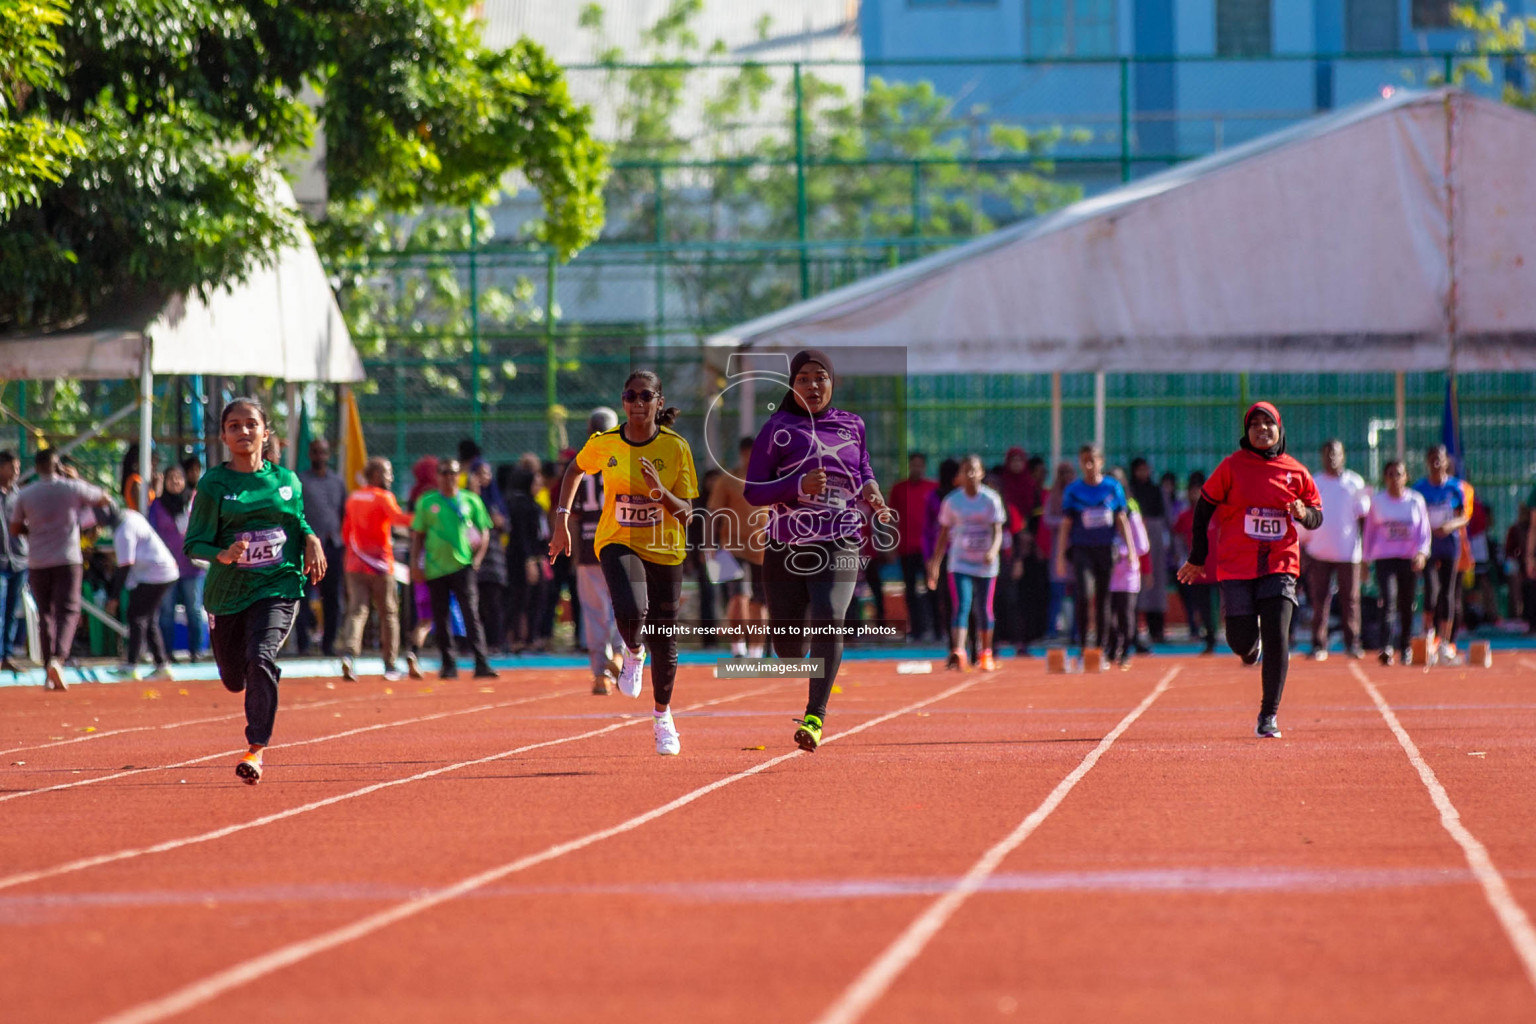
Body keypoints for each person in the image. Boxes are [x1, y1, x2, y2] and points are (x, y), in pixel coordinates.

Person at [741, 349, 892, 752]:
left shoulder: (852, 425)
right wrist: (796, 486)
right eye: (804, 377)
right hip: (786, 545)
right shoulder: (777, 429)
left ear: (832, 382)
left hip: (840, 538)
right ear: (792, 384)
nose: (812, 385)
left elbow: (862, 469)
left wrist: (871, 488)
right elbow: (753, 491)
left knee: (830, 615)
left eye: (820, 377)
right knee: (788, 647)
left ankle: (815, 716)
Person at [549, 370, 699, 756]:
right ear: (623, 401)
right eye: (630, 396)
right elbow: (575, 470)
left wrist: (661, 493)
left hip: (665, 547)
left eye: (645, 396)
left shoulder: (676, 448)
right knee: (632, 609)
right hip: (617, 539)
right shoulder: (605, 443)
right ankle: (633, 652)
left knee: (666, 639)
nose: (637, 403)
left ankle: (663, 717)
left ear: (658, 402)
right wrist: (561, 520)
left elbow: (687, 513)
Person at [183, 397, 326, 783]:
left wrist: (311, 537)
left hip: (278, 584)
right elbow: (193, 543)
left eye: (250, 424)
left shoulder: (286, 481)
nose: (243, 431)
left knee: (261, 656)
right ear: (224, 436)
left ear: (265, 432)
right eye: (234, 426)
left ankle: (256, 749)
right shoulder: (215, 483)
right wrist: (224, 554)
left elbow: (296, 521)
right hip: (228, 594)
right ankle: (248, 689)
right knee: (234, 677)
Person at [1177, 402, 1323, 739]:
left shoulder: (1297, 472)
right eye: (1254, 425)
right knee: (1239, 639)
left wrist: (1303, 513)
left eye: (1267, 424)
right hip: (1237, 565)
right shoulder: (1231, 467)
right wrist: (1198, 556)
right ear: (1247, 432)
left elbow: (1316, 516)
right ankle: (1249, 646)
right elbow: (1203, 509)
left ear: (1278, 428)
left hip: (1281, 564)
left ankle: (1268, 715)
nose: (1261, 430)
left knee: (1278, 638)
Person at [9, 448, 113, 690]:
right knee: (68, 611)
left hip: (37, 560)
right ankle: (59, 658)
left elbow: (15, 528)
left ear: (36, 468)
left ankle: (48, 666)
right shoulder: (71, 488)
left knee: (45, 614)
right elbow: (104, 498)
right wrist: (75, 479)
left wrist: (36, 532)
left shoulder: (26, 494)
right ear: (57, 466)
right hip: (67, 559)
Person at [410, 457, 497, 681]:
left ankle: (481, 663)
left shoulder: (471, 500)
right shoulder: (427, 502)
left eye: (454, 473)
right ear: (438, 476)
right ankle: (449, 665)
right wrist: (414, 565)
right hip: (435, 568)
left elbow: (484, 530)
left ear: (460, 475)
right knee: (441, 617)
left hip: (463, 566)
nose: (450, 477)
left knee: (471, 614)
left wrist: (477, 558)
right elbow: (418, 536)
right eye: (444, 472)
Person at [926, 454, 1005, 671]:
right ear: (959, 475)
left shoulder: (991, 500)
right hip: (960, 563)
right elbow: (942, 534)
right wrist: (935, 563)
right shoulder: (952, 501)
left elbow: (997, 531)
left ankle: (985, 653)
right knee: (962, 605)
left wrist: (993, 550)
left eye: (974, 470)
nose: (970, 474)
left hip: (986, 564)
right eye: (966, 470)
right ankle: (959, 652)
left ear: (981, 473)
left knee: (984, 609)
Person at [338, 457, 413, 682]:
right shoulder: (384, 497)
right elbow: (399, 519)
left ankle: (349, 657)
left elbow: (346, 530)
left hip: (354, 564)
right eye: (388, 472)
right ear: (377, 474)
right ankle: (390, 665)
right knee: (388, 613)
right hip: (380, 565)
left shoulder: (354, 498)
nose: (390, 477)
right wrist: (426, 518)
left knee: (356, 611)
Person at [1054, 445, 1135, 652]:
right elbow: (1065, 525)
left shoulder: (1112, 487)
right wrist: (1060, 558)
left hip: (1106, 549)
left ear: (1101, 461)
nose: (1089, 465)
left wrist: (1132, 551)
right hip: (1082, 549)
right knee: (1083, 593)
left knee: (1103, 599)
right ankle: (1083, 646)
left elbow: (1121, 519)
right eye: (1084, 461)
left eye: (1092, 460)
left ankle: (1101, 648)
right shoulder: (1073, 490)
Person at [571, 408, 626, 694]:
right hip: (620, 544)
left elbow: (573, 513)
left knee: (593, 612)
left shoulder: (582, 463)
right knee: (623, 607)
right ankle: (618, 656)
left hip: (589, 549)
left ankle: (599, 675)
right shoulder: (623, 459)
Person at [1301, 440, 1371, 661]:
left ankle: (1353, 644)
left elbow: (1363, 518)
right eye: (1328, 453)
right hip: (1318, 552)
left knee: (1350, 600)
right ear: (1322, 457)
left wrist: (1364, 553)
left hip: (1348, 553)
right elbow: (1304, 517)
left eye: (1336, 453)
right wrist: (1303, 548)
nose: (1332, 457)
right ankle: (1318, 645)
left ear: (1344, 456)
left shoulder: (1354, 482)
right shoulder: (1314, 482)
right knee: (1319, 600)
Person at [1362, 460, 1430, 666]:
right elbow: (1369, 533)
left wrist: (1422, 553)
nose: (1394, 479)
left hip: (1408, 559)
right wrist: (1365, 560)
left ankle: (1406, 646)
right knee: (1388, 601)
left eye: (1398, 474)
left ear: (1406, 477)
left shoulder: (1416, 501)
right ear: (1385, 478)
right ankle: (1387, 646)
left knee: (1407, 603)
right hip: (1385, 559)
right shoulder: (1378, 501)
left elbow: (1424, 531)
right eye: (1390, 474)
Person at [709, 434, 770, 660]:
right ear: (743, 454)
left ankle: (755, 652)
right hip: (731, 548)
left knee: (760, 602)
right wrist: (709, 546)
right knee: (739, 597)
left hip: (764, 550)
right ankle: (738, 649)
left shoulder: (771, 480)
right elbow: (714, 514)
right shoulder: (727, 480)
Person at [104, 505, 178, 680]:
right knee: (148, 619)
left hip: (156, 574)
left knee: (137, 617)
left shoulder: (123, 531)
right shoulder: (131, 515)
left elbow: (124, 566)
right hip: (160, 571)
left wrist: (114, 598)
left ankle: (131, 666)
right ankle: (162, 665)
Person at [1412, 445, 1470, 663]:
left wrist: (1450, 525)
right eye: (1432, 457)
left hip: (1449, 547)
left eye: (1440, 458)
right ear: (1427, 461)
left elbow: (1464, 516)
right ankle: (1428, 636)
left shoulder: (1456, 487)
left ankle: (1446, 642)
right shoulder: (1419, 488)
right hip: (1428, 547)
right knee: (1430, 591)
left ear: (1446, 462)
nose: (1437, 462)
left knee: (1448, 593)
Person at [148, 465, 207, 663]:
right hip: (167, 568)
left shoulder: (194, 501)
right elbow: (151, 532)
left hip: (193, 567)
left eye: (179, 478)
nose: (175, 482)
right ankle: (166, 654)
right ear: (164, 482)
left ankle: (196, 652)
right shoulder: (157, 505)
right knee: (166, 611)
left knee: (194, 610)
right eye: (171, 478)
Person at [296, 438, 347, 656]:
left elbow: (344, 513)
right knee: (302, 596)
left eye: (323, 452)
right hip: (306, 549)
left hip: (333, 547)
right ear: (310, 454)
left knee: (333, 598)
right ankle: (303, 644)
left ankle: (329, 644)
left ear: (329, 454)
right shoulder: (300, 481)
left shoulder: (338, 482)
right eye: (316, 452)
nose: (320, 457)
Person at [1171, 472, 1218, 655]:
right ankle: (1208, 639)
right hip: (1197, 570)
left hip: (1217, 569)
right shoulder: (1185, 516)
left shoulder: (1217, 512)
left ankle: (1223, 637)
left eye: (1199, 491)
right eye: (1192, 491)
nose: (1195, 495)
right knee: (1202, 608)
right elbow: (1176, 535)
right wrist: (1180, 556)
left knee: (1219, 607)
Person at [467, 458, 510, 655]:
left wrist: (500, 522)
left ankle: (496, 642)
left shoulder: (496, 498)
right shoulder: (467, 499)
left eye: (487, 473)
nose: (485, 478)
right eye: (480, 473)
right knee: (473, 602)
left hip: (493, 558)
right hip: (470, 555)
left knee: (494, 601)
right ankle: (473, 644)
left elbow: (506, 525)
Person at [1107, 483, 1151, 670]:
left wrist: (1122, 552)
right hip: (1108, 572)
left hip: (1127, 572)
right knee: (1107, 613)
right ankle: (1109, 650)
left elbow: (1143, 546)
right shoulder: (1104, 515)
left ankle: (1125, 651)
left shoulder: (1132, 515)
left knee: (1125, 613)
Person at [1128, 457, 1168, 645]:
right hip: (1135, 539)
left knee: (1156, 586)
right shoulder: (1131, 492)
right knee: (1136, 587)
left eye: (1146, 469)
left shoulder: (1156, 490)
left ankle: (1157, 630)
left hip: (1155, 540)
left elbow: (1165, 516)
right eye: (1140, 469)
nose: (1143, 473)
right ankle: (1133, 631)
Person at [0, 451, 28, 672]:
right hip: (0, 562)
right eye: (13, 468)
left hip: (19, 561)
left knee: (12, 612)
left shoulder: (20, 496)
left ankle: (7, 656)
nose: (17, 473)